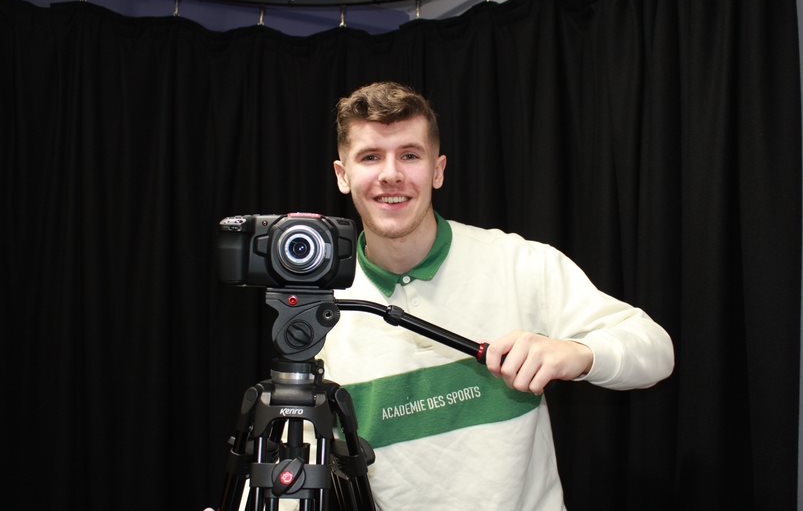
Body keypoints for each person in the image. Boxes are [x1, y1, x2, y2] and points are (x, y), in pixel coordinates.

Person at [208, 81, 674, 510]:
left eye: (410, 155)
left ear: (438, 170)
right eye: (370, 157)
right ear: (342, 175)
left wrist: (578, 352)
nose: (390, 175)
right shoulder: (316, 308)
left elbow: (656, 351)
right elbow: (296, 463)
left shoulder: (518, 263)